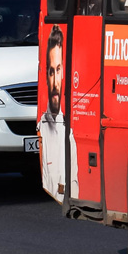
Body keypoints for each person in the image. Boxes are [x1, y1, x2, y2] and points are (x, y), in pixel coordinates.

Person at [40, 27, 77, 199]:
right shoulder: (42, 125)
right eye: (51, 71)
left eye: (59, 70)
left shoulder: (71, 129)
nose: (55, 82)